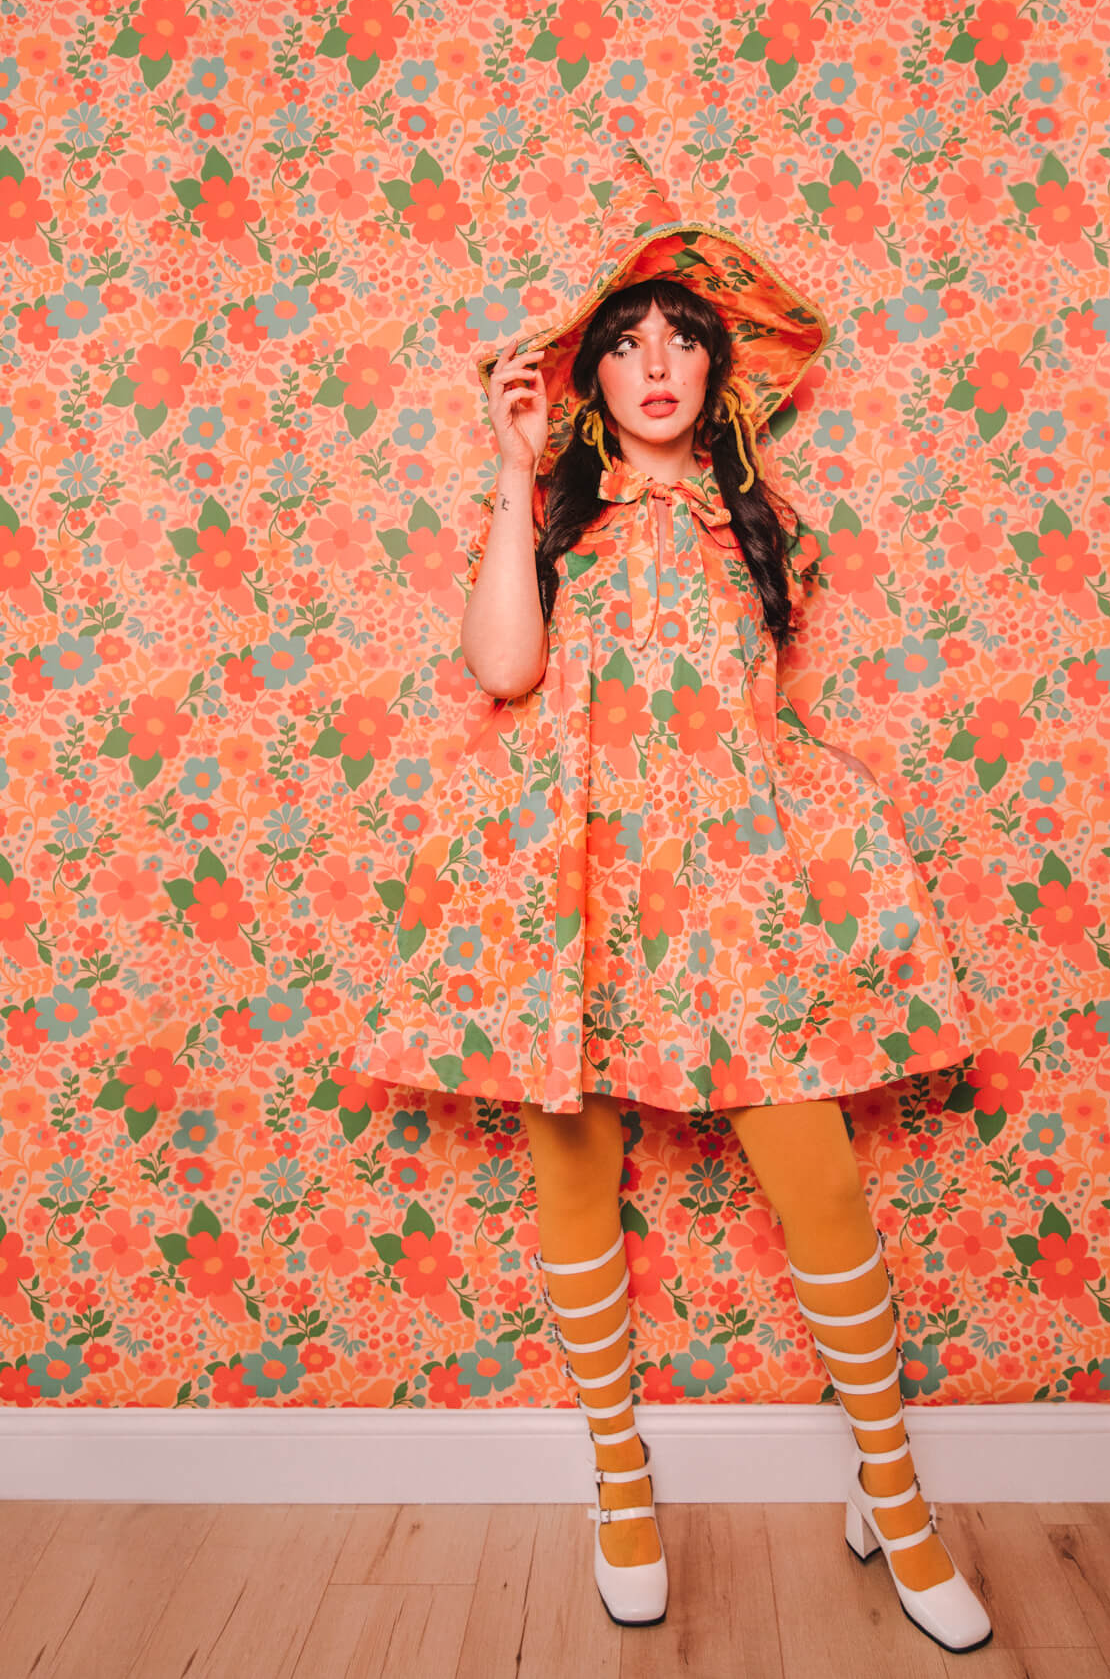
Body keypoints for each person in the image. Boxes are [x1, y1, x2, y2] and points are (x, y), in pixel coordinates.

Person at [349, 147, 993, 1653]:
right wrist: (511, 480)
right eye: (627, 344)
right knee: (574, 1166)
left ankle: (895, 1498)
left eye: (680, 342)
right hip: (566, 884)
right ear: (591, 378)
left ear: (715, 371)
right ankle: (619, 1484)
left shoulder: (753, 520)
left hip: (736, 889)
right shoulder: (558, 511)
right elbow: (504, 671)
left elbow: (751, 710)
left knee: (813, 1170)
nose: (655, 366)